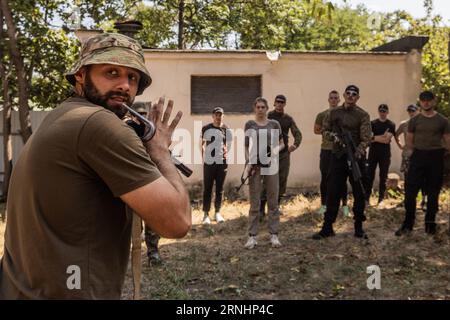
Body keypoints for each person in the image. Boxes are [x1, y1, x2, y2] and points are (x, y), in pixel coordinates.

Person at [0, 33, 191, 299]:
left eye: (132, 77)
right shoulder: (98, 124)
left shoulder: (62, 116)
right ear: (80, 75)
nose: (125, 85)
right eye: (111, 72)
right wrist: (160, 152)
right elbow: (176, 222)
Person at [312, 85, 371, 240]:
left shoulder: (363, 115)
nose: (351, 96)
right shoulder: (333, 112)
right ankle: (327, 227)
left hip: (356, 158)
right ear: (344, 95)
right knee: (332, 192)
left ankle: (359, 227)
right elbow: (324, 131)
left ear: (357, 97)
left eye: (354, 94)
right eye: (349, 93)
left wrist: (356, 154)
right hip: (337, 157)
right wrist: (334, 137)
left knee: (359, 193)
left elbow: (366, 139)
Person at [395, 91, 450, 236]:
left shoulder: (442, 121)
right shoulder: (414, 120)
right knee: (410, 193)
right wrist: (410, 153)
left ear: (434, 101)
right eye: (423, 100)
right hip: (417, 157)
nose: (426, 102)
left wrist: (444, 153)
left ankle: (430, 225)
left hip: (436, 157)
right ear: (420, 102)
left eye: (429, 100)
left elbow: (447, 141)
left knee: (433, 193)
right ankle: (408, 225)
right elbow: (409, 141)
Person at [125, 102, 163, 266]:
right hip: (132, 181)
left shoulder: (151, 130)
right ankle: (133, 254)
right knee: (133, 223)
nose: (142, 117)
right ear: (133, 114)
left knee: (153, 220)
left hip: (150, 180)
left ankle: (153, 252)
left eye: (144, 113)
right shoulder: (126, 129)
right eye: (138, 113)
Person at [244, 97, 284, 249]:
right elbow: (246, 146)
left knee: (273, 200)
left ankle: (274, 235)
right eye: (258, 107)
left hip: (271, 165)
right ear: (254, 109)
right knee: (255, 201)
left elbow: (282, 144)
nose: (260, 109)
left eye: (263, 107)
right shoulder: (250, 124)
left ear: (267, 109)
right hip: (255, 165)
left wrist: (273, 151)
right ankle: (252, 236)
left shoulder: (274, 124)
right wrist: (248, 162)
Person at [259, 94, 302, 220]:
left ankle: (276, 208)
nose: (279, 104)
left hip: (283, 154)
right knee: (267, 181)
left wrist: (294, 145)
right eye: (277, 102)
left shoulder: (288, 119)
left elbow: (297, 134)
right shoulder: (268, 116)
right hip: (269, 154)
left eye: (282, 102)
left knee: (282, 180)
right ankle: (261, 209)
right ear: (274, 103)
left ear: (284, 104)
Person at [314, 90, 349, 216]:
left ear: (339, 100)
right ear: (328, 100)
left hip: (340, 150)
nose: (334, 100)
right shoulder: (322, 114)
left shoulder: (344, 114)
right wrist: (328, 132)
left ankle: (345, 206)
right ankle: (324, 205)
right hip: (326, 150)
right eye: (331, 98)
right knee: (325, 178)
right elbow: (316, 130)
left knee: (342, 179)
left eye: (336, 98)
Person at [200, 106, 232, 224]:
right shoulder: (206, 128)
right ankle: (205, 214)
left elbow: (228, 144)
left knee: (219, 188)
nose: (218, 117)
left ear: (223, 116)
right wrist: (204, 157)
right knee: (207, 188)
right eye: (216, 115)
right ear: (213, 116)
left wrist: (224, 155)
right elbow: (202, 144)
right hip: (209, 163)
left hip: (222, 163)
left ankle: (217, 212)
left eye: (220, 115)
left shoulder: (226, 129)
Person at [365, 104, 396, 206]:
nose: (382, 113)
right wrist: (379, 137)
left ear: (387, 112)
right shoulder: (372, 123)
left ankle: (381, 198)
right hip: (373, 153)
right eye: (381, 111)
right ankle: (367, 198)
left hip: (385, 154)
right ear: (378, 112)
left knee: (383, 176)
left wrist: (375, 138)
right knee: (369, 175)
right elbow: (368, 138)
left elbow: (386, 140)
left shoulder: (391, 124)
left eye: (384, 111)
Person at [395, 104, 420, 179]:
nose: (411, 113)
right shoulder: (404, 124)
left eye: (413, 111)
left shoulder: (422, 124)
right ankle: (408, 190)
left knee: (419, 175)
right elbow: (396, 135)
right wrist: (400, 145)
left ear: (418, 111)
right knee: (407, 175)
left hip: (419, 153)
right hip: (407, 153)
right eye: (409, 111)